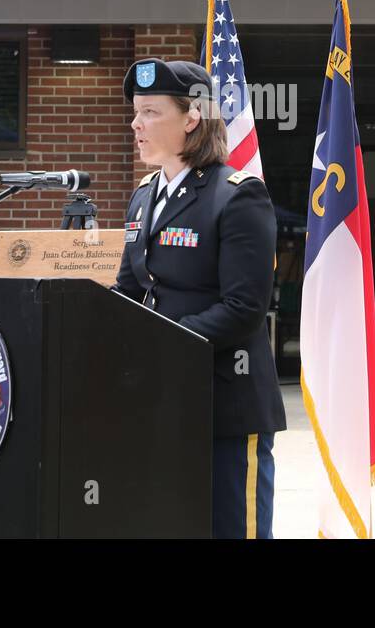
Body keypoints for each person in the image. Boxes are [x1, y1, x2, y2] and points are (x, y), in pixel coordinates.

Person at [114, 57, 286, 539]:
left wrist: (159, 340)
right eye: (135, 111)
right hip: (162, 403)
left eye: (150, 112)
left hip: (225, 407)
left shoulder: (237, 196)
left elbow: (244, 308)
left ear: (192, 118)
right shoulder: (143, 196)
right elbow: (129, 290)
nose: (136, 123)